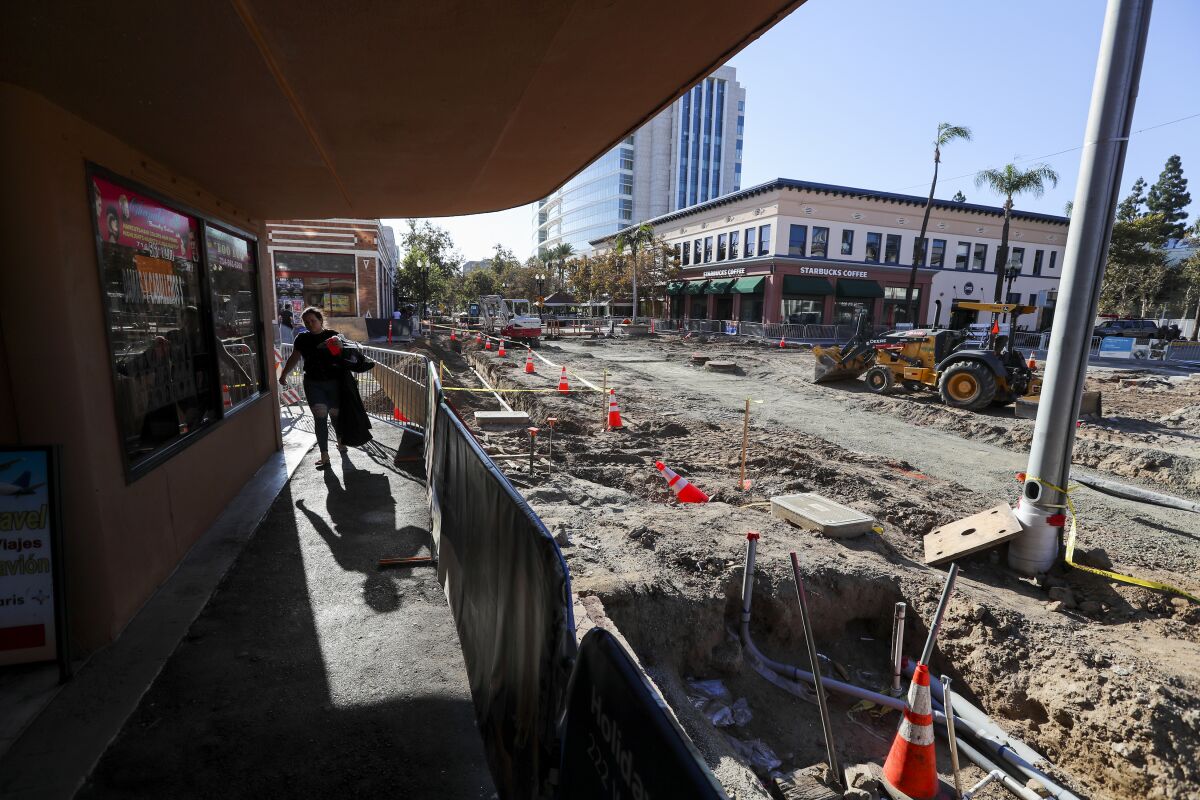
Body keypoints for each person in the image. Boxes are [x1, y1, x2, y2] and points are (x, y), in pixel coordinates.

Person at [279, 307, 344, 469]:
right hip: (313, 383)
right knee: (320, 417)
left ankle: (341, 441)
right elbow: (294, 357)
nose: (310, 324)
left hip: (334, 382)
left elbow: (344, 356)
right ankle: (324, 455)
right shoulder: (302, 338)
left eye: (313, 321)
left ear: (320, 320)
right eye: (306, 322)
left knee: (335, 415)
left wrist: (340, 346)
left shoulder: (332, 335)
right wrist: (284, 374)